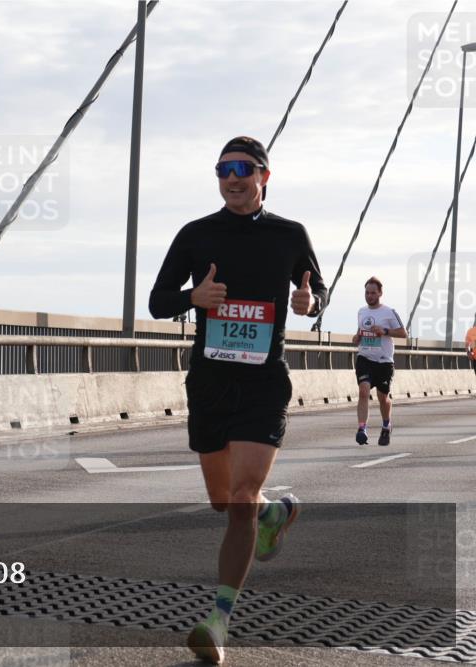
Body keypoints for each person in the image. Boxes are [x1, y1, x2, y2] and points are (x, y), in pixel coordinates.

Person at [149, 136, 328, 664]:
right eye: (224, 168)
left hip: (263, 382)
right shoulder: (195, 234)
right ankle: (275, 514)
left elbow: (317, 291)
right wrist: (192, 299)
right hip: (209, 383)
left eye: (243, 168)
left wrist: (309, 300)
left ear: (263, 176)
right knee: (225, 501)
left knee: (242, 498)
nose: (233, 177)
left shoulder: (289, 235)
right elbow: (158, 301)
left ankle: (219, 621)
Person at [351, 278, 406, 447]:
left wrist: (385, 331)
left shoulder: (389, 312)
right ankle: (362, 429)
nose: (370, 296)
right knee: (363, 391)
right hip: (364, 357)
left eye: (373, 292)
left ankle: (386, 425)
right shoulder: (361, 312)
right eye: (367, 292)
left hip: (383, 361)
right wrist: (357, 338)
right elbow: (356, 338)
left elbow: (404, 333)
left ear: (380, 293)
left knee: (383, 397)